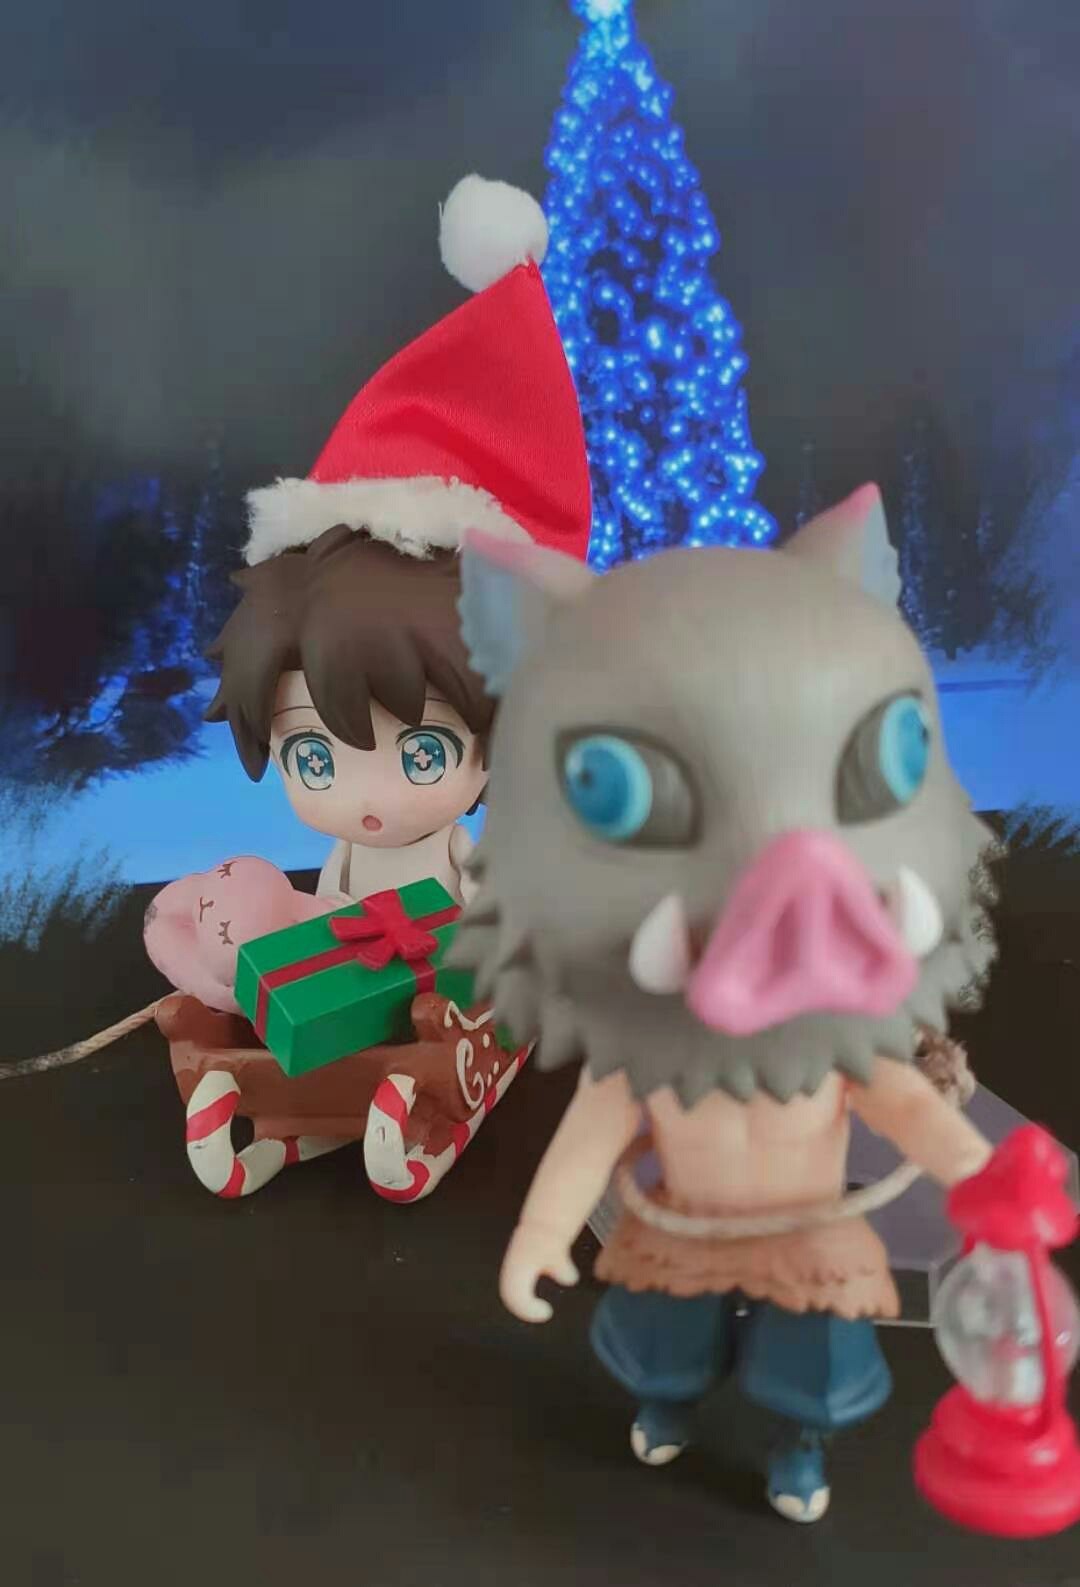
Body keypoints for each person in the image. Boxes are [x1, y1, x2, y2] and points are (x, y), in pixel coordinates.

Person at [206, 174, 592, 905]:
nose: (366, 802)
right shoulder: (343, 860)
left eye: (423, 754)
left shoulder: (470, 872)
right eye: (314, 759)